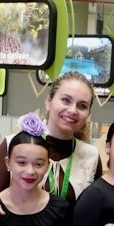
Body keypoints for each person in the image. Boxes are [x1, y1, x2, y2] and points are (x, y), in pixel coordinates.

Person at [39, 71, 99, 201]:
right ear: (49, 102)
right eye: (66, 100)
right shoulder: (16, 146)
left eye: (82, 106)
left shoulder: (91, 157)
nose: (73, 110)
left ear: (88, 113)